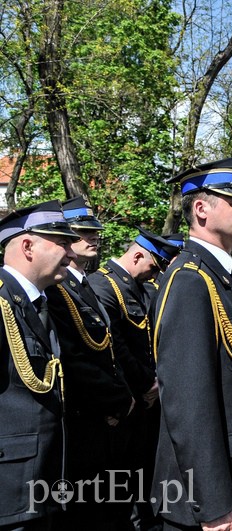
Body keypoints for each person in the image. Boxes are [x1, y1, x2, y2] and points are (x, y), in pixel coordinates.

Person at [151, 156, 232, 530]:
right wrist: (212, 505)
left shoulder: (221, 279)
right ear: (201, 209)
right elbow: (188, 401)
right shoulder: (190, 281)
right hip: (219, 493)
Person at [46, 196, 135, 529]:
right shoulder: (58, 288)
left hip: (108, 416)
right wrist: (116, 399)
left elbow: (109, 347)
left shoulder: (84, 286)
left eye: (94, 232)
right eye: (83, 233)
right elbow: (72, 358)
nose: (93, 238)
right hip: (88, 416)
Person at [89, 227, 181, 531]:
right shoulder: (103, 285)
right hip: (130, 397)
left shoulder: (139, 285)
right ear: (138, 254)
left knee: (145, 469)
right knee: (123, 480)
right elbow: (117, 344)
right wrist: (145, 385)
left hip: (147, 395)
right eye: (153, 266)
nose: (153, 274)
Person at [0, 200, 79, 529]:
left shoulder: (40, 303)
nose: (71, 254)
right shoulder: (4, 302)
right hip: (9, 491)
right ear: (28, 246)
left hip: (40, 484)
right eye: (61, 243)